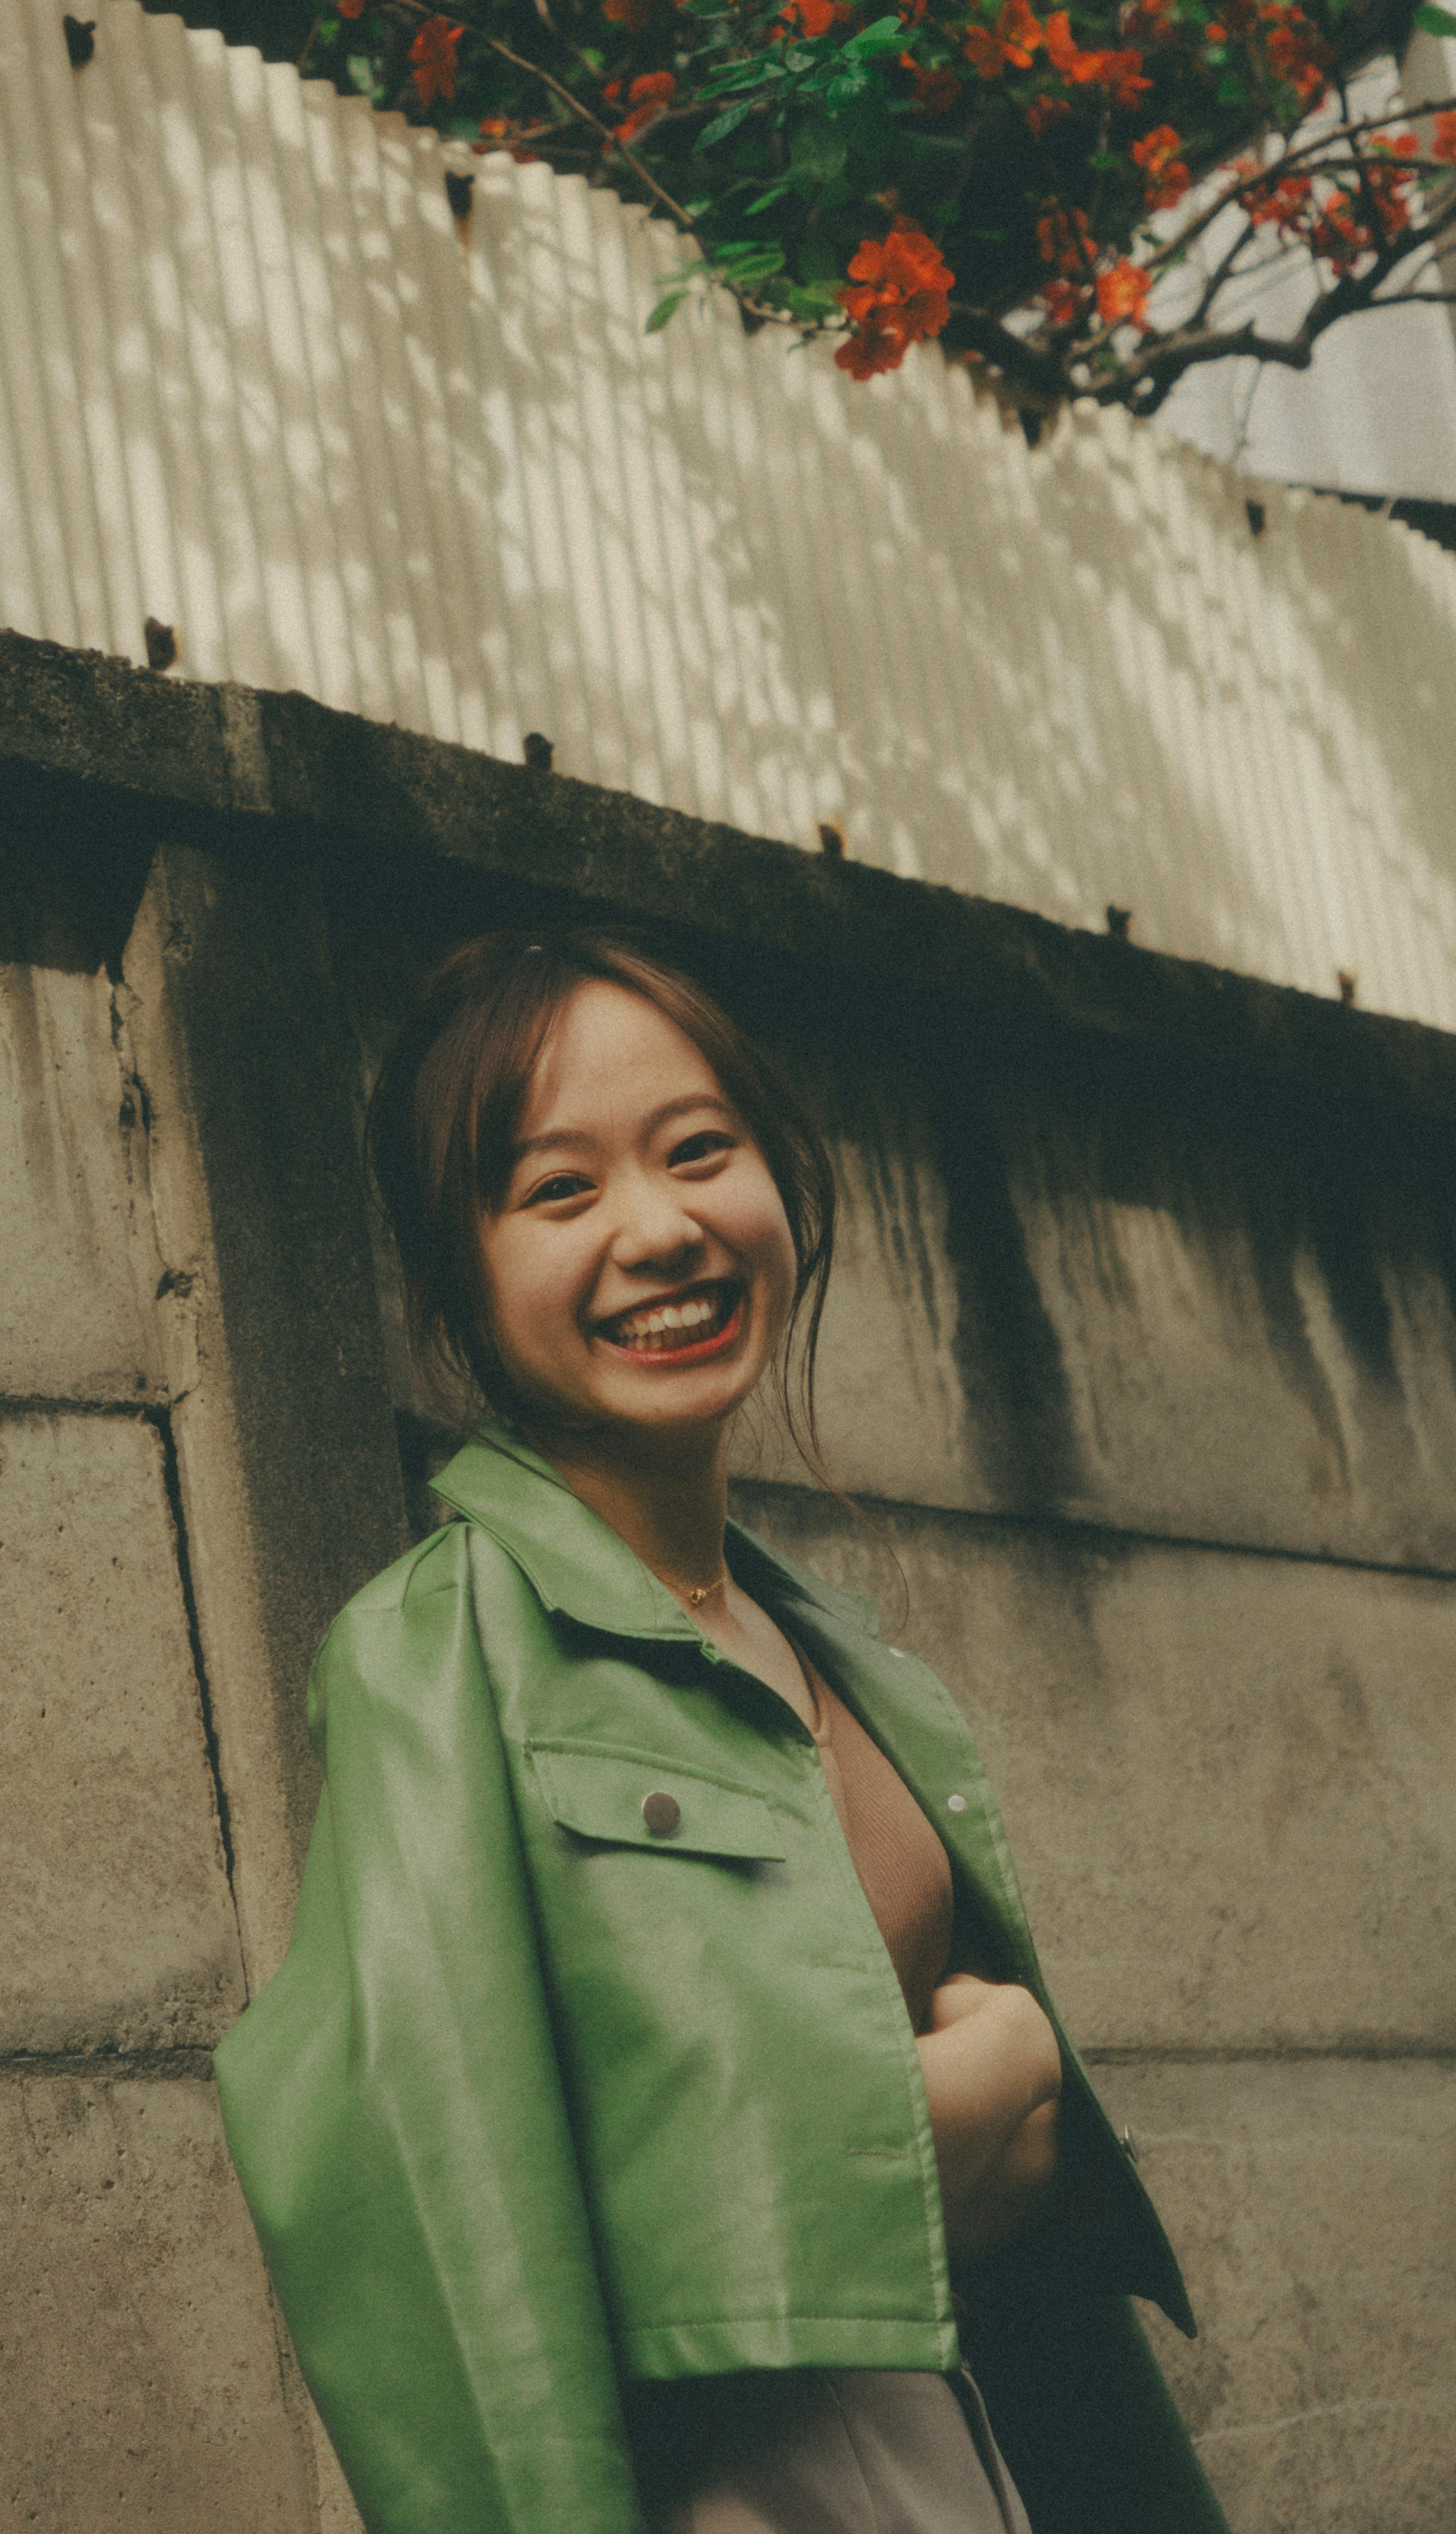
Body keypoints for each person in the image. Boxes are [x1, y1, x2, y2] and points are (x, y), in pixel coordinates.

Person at [214, 929, 1228, 2534]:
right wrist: (999, 2077)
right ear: (456, 1279)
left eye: (701, 1153)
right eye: (560, 1191)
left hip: (968, 2452)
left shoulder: (824, 1637)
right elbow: (425, 2213)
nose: (662, 1227)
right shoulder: (437, 1652)